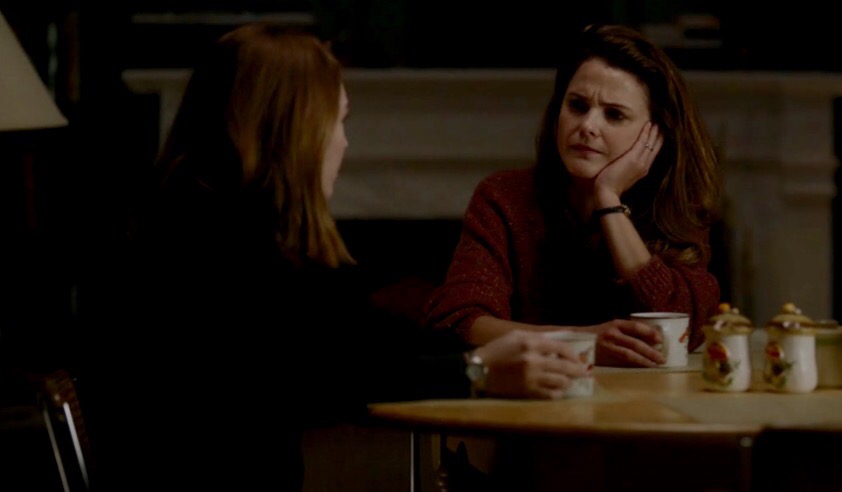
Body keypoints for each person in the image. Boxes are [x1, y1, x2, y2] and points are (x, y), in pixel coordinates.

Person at [75, 23, 584, 492]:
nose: (343, 142)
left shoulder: (196, 219)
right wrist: (476, 371)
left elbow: (360, 335)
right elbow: (342, 368)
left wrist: (486, 354)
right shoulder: (216, 251)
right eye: (337, 121)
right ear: (290, 131)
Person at [424, 24, 722, 367]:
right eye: (578, 106)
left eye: (614, 114)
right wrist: (583, 342)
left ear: (654, 135)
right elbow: (460, 321)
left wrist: (608, 201)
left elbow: (685, 327)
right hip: (531, 392)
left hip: (642, 396)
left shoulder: (674, 207)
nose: (587, 126)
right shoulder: (504, 197)